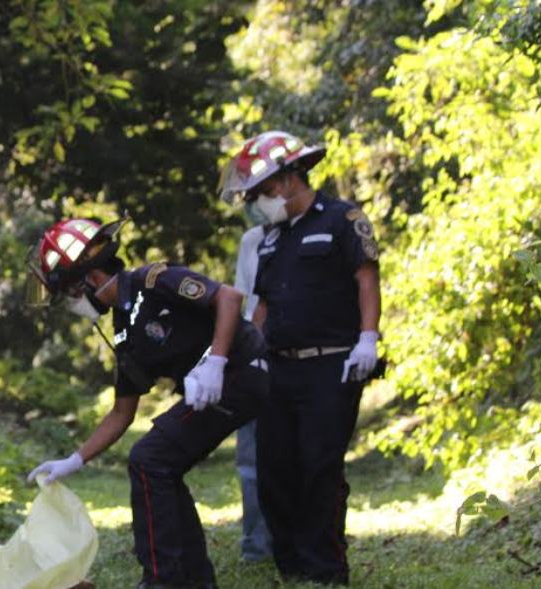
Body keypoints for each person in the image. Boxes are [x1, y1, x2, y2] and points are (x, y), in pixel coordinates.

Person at [25, 217, 269, 589]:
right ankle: (194, 579)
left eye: (70, 294)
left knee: (149, 458)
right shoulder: (124, 333)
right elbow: (122, 411)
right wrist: (75, 460)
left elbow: (230, 298)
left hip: (242, 371)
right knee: (160, 464)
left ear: (91, 278)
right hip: (216, 388)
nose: (72, 305)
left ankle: (162, 580)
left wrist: (216, 362)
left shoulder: (154, 281)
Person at [219, 131, 382, 585]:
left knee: (319, 467)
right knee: (274, 469)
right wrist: (248, 355)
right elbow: (263, 305)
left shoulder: (342, 219)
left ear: (292, 178)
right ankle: (290, 563)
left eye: (264, 191)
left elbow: (366, 280)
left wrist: (368, 339)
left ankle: (324, 566)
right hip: (278, 367)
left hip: (331, 365)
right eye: (253, 196)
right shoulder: (272, 238)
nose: (259, 203)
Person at [231, 203, 273, 563]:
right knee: (251, 460)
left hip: (302, 357)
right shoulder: (251, 241)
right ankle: (256, 546)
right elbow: (247, 303)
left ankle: (301, 543)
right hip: (256, 356)